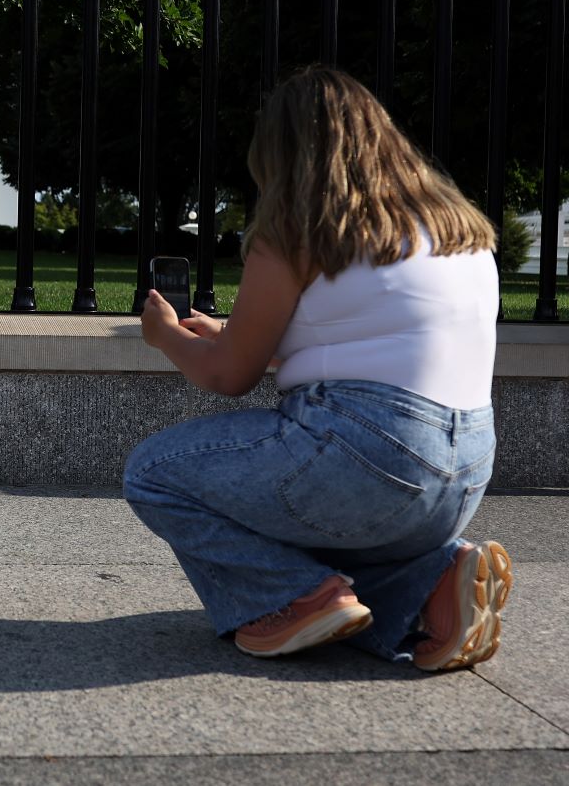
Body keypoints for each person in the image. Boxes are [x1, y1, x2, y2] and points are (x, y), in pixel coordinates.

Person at [125, 66, 512, 670]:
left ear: (278, 152)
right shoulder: (457, 228)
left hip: (369, 455)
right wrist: (229, 334)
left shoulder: (297, 227)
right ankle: (435, 583)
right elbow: (365, 335)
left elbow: (228, 377)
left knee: (154, 471)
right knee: (333, 520)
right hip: (462, 477)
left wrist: (167, 337)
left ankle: (296, 600)